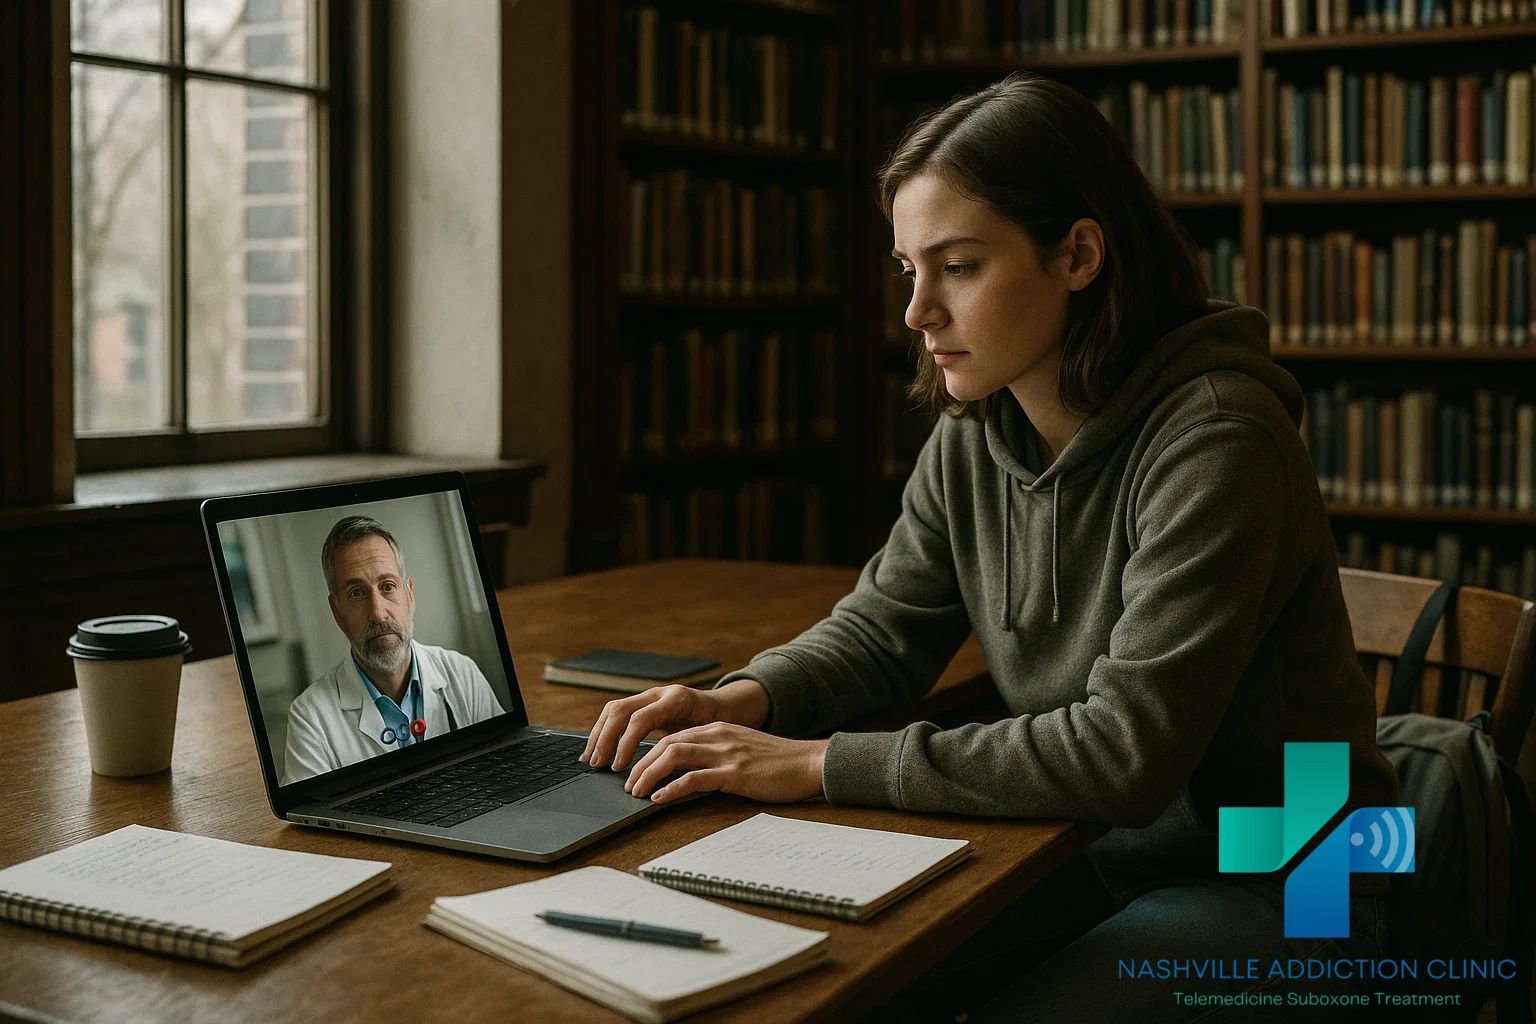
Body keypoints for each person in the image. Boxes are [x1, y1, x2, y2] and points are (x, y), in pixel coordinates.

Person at [579, 72, 1400, 1021]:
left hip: (1302, 879)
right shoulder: (976, 430)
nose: (916, 312)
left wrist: (810, 762)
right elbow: (886, 631)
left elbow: (1124, 754)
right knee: (835, 985)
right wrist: (740, 699)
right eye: (908, 270)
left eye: (958, 266)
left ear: (1079, 254)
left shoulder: (1222, 438)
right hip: (1090, 852)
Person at [282, 515, 504, 784]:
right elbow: (307, 825)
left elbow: (506, 774)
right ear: (337, 612)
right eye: (356, 593)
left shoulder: (461, 673)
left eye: (388, 587)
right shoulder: (310, 718)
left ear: (409, 595)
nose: (378, 613)